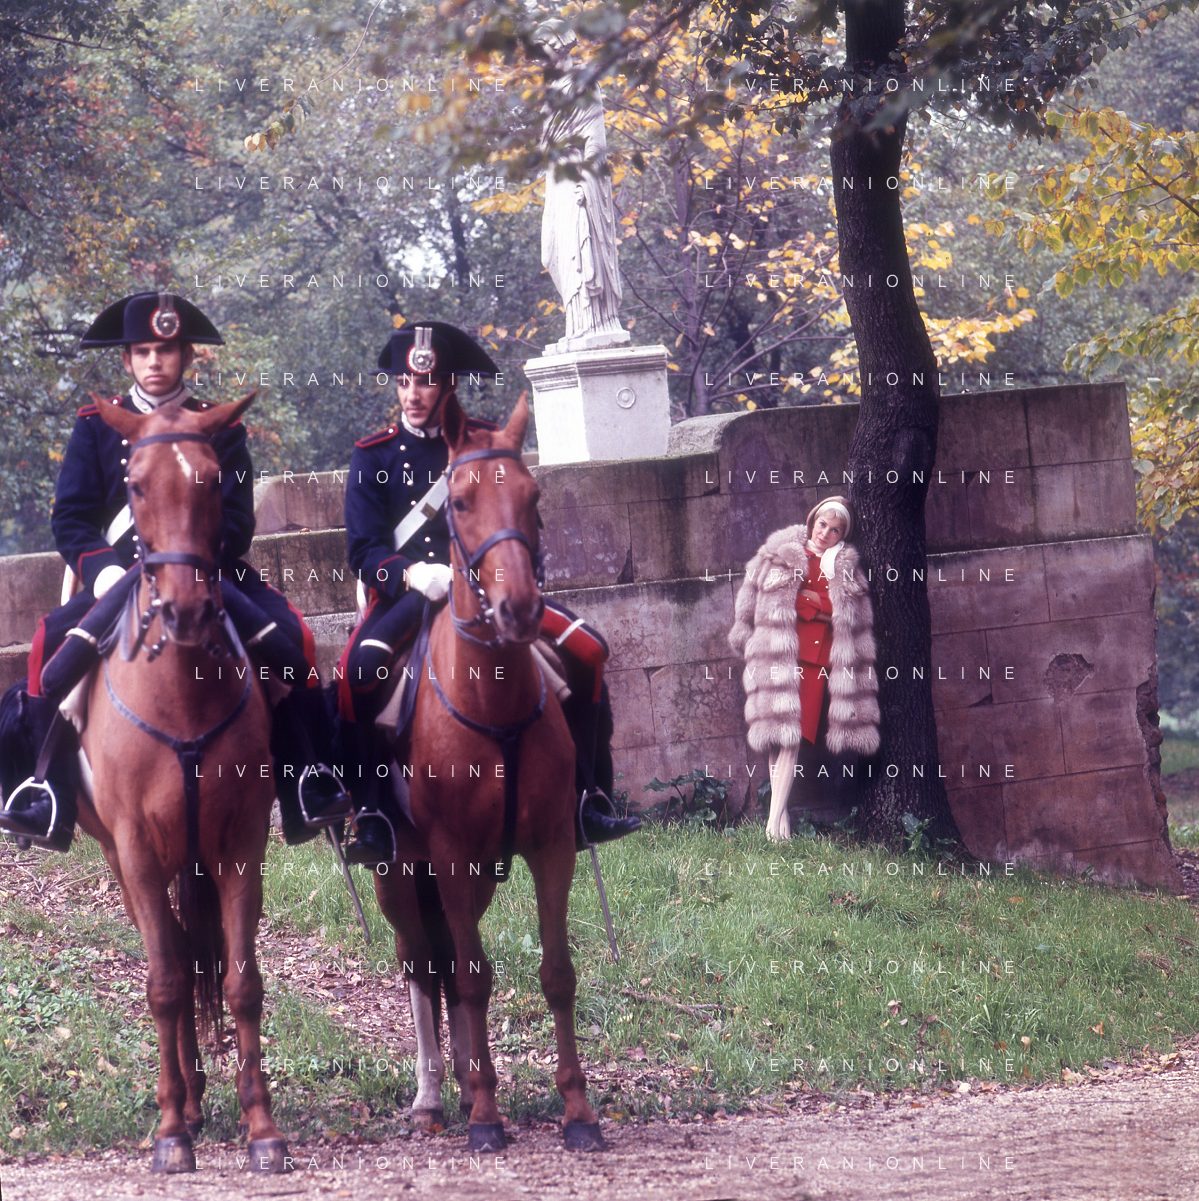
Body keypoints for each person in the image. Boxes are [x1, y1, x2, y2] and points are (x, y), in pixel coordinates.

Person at [0, 291, 350, 851]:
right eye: (142, 351)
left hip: (205, 575)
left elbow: (238, 521)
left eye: (165, 350)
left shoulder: (220, 425)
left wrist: (193, 562)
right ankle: (48, 794)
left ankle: (307, 781)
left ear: (185, 355)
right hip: (118, 578)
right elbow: (71, 518)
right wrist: (103, 571)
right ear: (126, 360)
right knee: (47, 646)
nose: (154, 361)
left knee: (295, 639)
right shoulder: (95, 425)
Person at [338, 321, 639, 866]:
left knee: (588, 650)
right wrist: (409, 573)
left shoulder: (485, 441)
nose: (412, 394)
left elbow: (517, 517)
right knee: (358, 672)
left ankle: (590, 796)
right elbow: (363, 550)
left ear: (448, 386)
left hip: (489, 591)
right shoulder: (373, 455)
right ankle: (372, 813)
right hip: (409, 594)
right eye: (404, 382)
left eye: (425, 383)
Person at [727, 497, 881, 840]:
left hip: (816, 664)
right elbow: (754, 599)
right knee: (778, 738)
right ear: (813, 521)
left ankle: (771, 826)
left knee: (793, 738)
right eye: (822, 524)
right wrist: (817, 607)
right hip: (777, 656)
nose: (825, 533)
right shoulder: (778, 553)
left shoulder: (845, 567)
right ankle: (779, 825)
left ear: (843, 535)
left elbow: (849, 612)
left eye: (835, 530)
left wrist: (812, 603)